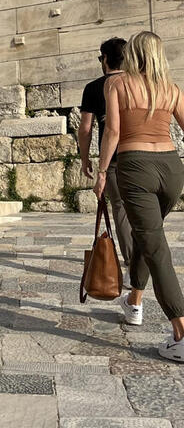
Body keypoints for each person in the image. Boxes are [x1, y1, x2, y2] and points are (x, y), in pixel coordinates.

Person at [94, 31, 184, 362]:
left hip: (135, 168)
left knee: (156, 247)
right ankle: (134, 299)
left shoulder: (116, 85)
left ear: (133, 54)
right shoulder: (171, 89)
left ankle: (181, 330)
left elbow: (114, 132)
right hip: (172, 170)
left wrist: (102, 172)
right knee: (150, 239)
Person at [79, 37, 132, 266]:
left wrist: (84, 159)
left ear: (106, 59)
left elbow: (86, 128)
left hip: (113, 158)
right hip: (141, 153)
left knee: (120, 207)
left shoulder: (93, 88)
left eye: (101, 58)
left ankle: (132, 263)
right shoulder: (137, 83)